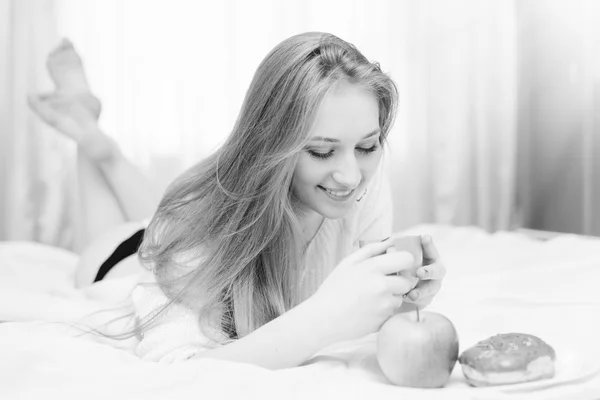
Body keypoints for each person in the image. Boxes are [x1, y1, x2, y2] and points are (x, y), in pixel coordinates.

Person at [29, 32, 446, 370]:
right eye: (321, 151)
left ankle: (104, 148)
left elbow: (362, 297)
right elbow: (180, 371)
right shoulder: (192, 223)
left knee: (163, 218)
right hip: (123, 259)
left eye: (368, 146)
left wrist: (399, 296)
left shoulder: (364, 183)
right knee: (134, 228)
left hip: (180, 237)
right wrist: (323, 319)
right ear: (270, 144)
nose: (352, 176)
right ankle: (89, 132)